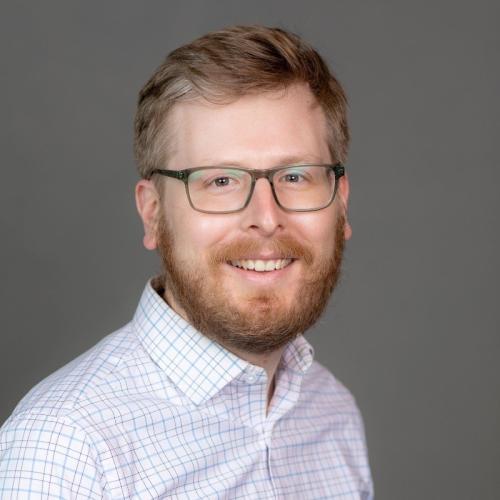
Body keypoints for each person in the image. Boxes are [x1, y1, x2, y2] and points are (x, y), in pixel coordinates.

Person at [0, 26, 373, 498]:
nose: (266, 218)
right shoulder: (67, 450)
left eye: (296, 176)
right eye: (220, 181)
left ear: (341, 203)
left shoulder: (331, 413)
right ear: (153, 213)